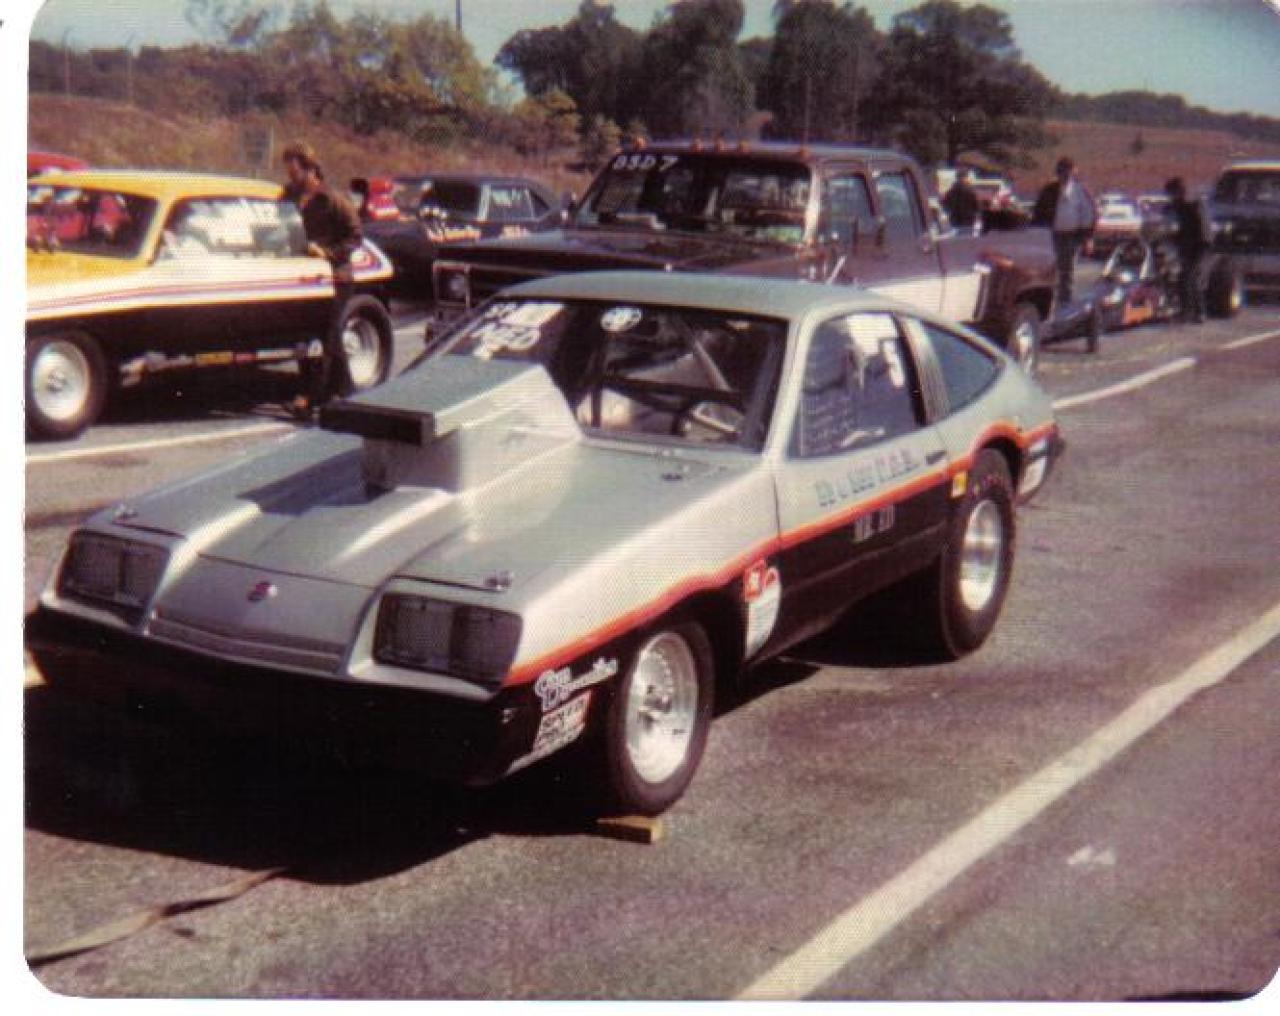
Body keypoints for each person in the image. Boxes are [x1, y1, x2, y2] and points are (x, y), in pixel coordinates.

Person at [281, 140, 363, 416]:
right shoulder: (289, 198)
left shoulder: (332, 199)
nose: (291, 178)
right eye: (288, 172)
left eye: (294, 172)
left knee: (326, 337)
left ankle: (311, 398)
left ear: (310, 169)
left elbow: (355, 236)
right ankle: (348, 394)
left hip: (336, 278)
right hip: (306, 278)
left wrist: (327, 253)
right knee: (320, 337)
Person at [1033, 157, 1097, 306]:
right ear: (1058, 173)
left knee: (1067, 270)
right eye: (1063, 172)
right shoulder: (1048, 191)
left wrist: (1088, 237)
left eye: (1069, 172)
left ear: (1074, 172)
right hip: (1051, 236)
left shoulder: (1080, 191)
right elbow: (1038, 213)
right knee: (1049, 269)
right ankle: (1047, 301)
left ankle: (1065, 302)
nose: (1066, 175)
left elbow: (1088, 214)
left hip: (1072, 236)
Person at [1165, 176, 1210, 324]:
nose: (1171, 197)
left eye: (1172, 193)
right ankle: (1187, 311)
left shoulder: (1193, 206)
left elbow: (1202, 231)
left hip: (1198, 248)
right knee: (1183, 278)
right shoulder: (1179, 207)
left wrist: (1200, 247)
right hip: (1187, 248)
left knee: (1190, 278)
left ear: (1179, 191)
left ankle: (1196, 313)